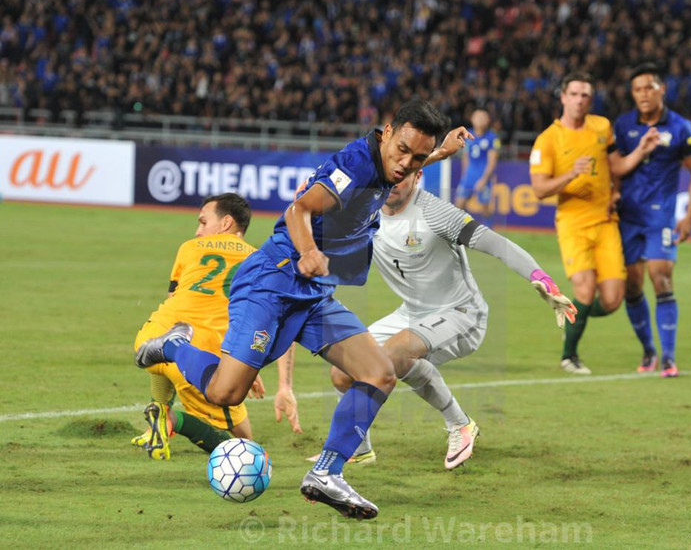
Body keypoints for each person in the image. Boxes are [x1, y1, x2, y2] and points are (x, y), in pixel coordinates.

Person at [136, 99, 471, 520]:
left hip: (314, 294)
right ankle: (174, 345)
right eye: (403, 149)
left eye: (418, 157)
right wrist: (309, 252)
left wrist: (441, 152)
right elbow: (300, 209)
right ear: (387, 132)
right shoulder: (355, 164)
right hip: (272, 282)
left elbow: (409, 159)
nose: (407, 163)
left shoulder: (392, 164)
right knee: (226, 392)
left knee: (378, 372)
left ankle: (326, 473)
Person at [300, 169, 576, 470]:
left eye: (404, 176)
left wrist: (541, 278)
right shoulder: (367, 209)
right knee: (343, 371)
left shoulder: (434, 212)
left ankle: (460, 425)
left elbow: (496, 244)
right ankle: (359, 449)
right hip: (411, 313)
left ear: (418, 177)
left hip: (461, 313)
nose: (394, 183)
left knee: (394, 355)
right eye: (390, 176)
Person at [132, 194, 302, 460]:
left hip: (149, 339)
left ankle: (159, 408)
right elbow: (277, 326)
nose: (198, 230)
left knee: (167, 348)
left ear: (226, 223)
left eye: (203, 221)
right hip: (205, 349)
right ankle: (172, 420)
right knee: (246, 446)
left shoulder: (189, 248)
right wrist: (260, 372)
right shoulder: (262, 262)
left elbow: (174, 301)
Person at [529, 72, 660, 375]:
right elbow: (539, 189)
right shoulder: (548, 139)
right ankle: (569, 355)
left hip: (605, 222)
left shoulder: (602, 127)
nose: (580, 100)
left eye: (585, 95)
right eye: (574, 94)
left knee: (613, 299)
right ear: (563, 97)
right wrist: (571, 174)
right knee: (586, 290)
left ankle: (575, 317)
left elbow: (617, 166)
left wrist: (642, 149)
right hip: (573, 222)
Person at [613, 62, 691, 378]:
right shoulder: (623, 126)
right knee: (631, 285)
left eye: (648, 88)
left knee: (661, 276)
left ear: (661, 89)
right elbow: (615, 167)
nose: (643, 94)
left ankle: (668, 357)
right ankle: (648, 350)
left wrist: (689, 215)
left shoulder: (682, 129)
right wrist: (612, 194)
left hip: (661, 217)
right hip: (627, 217)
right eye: (637, 89)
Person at [455, 107, 501, 221]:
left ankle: (489, 233)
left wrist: (484, 180)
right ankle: (464, 231)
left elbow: (492, 161)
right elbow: (465, 157)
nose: (480, 120)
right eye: (477, 117)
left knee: (485, 210)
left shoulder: (493, 138)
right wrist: (465, 175)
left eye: (483, 117)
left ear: (488, 120)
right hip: (469, 176)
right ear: (472, 119)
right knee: (458, 205)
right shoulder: (468, 135)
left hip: (483, 177)